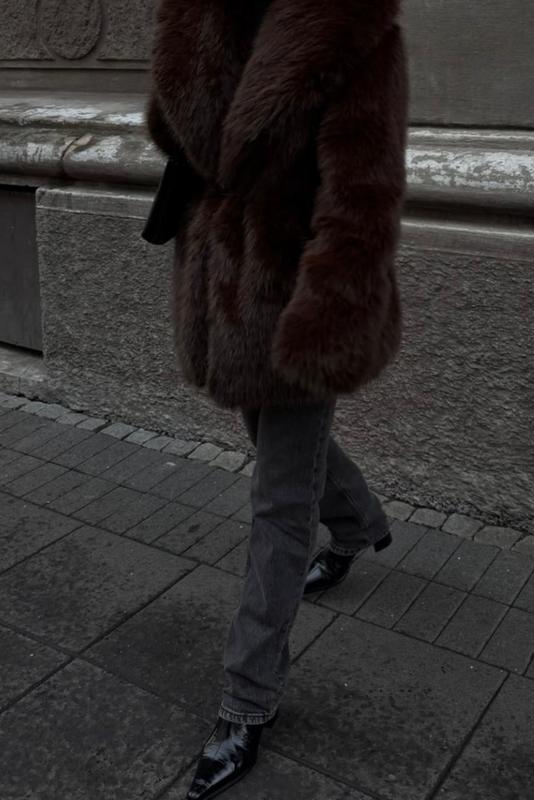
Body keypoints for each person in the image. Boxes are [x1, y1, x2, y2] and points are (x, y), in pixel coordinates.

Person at [143, 0, 409, 797]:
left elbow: (364, 194)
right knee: (273, 443)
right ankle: (358, 523)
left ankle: (246, 700)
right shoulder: (198, 12)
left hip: (297, 296)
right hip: (225, 290)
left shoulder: (355, 26)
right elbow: (173, 130)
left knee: (279, 499)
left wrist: (327, 320)